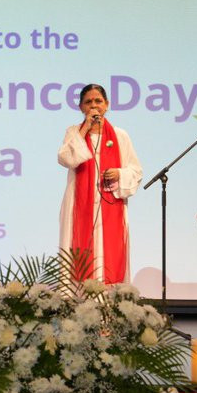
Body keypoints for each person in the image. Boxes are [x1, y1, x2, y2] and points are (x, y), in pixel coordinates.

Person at [57, 84, 142, 284]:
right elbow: (66, 159)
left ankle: (110, 295)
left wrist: (119, 173)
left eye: (98, 101)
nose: (93, 106)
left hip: (110, 203)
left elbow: (136, 170)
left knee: (109, 250)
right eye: (88, 102)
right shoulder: (74, 132)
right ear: (81, 107)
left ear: (107, 105)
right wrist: (85, 129)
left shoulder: (120, 135)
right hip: (79, 203)